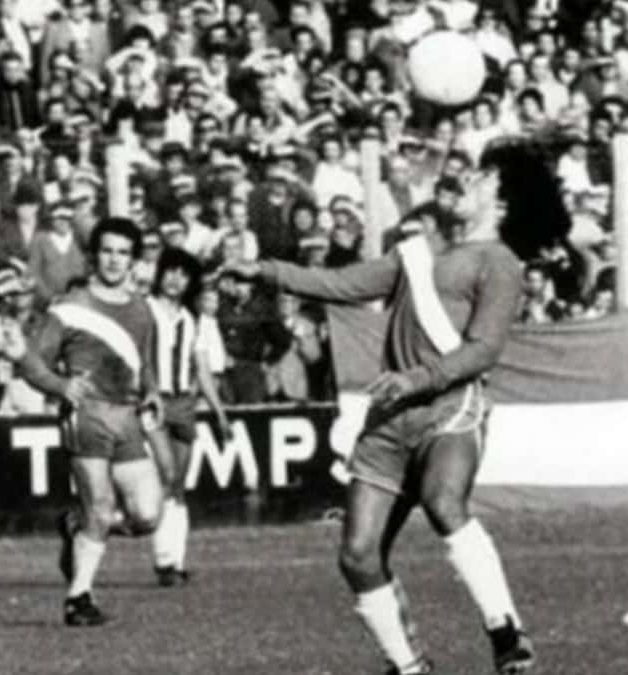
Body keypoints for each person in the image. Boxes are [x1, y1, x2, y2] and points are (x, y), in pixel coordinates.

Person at [227, 139, 569, 675]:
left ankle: (506, 632)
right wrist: (267, 270)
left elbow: (483, 350)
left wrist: (416, 378)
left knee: (442, 500)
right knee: (357, 554)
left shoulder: (499, 263)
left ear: (501, 205)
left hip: (449, 408)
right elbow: (339, 284)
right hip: (390, 420)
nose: (467, 180)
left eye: (482, 179)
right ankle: (409, 666)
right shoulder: (416, 253)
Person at [1, 216, 164, 627]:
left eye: (123, 253)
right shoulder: (69, 309)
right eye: (107, 251)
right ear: (94, 256)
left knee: (147, 516)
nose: (114, 260)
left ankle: (75, 525)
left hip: (126, 417)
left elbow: (143, 363)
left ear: (133, 261)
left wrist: (153, 392)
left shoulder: (142, 310)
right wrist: (60, 386)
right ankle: (79, 598)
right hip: (86, 416)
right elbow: (32, 362)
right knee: (102, 506)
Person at [145, 248, 230, 587]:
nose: (175, 279)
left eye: (183, 274)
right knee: (164, 476)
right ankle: (164, 561)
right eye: (170, 271)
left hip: (183, 403)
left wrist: (219, 411)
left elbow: (202, 368)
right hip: (153, 402)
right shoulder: (144, 311)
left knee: (177, 484)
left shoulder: (193, 319)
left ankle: (174, 562)